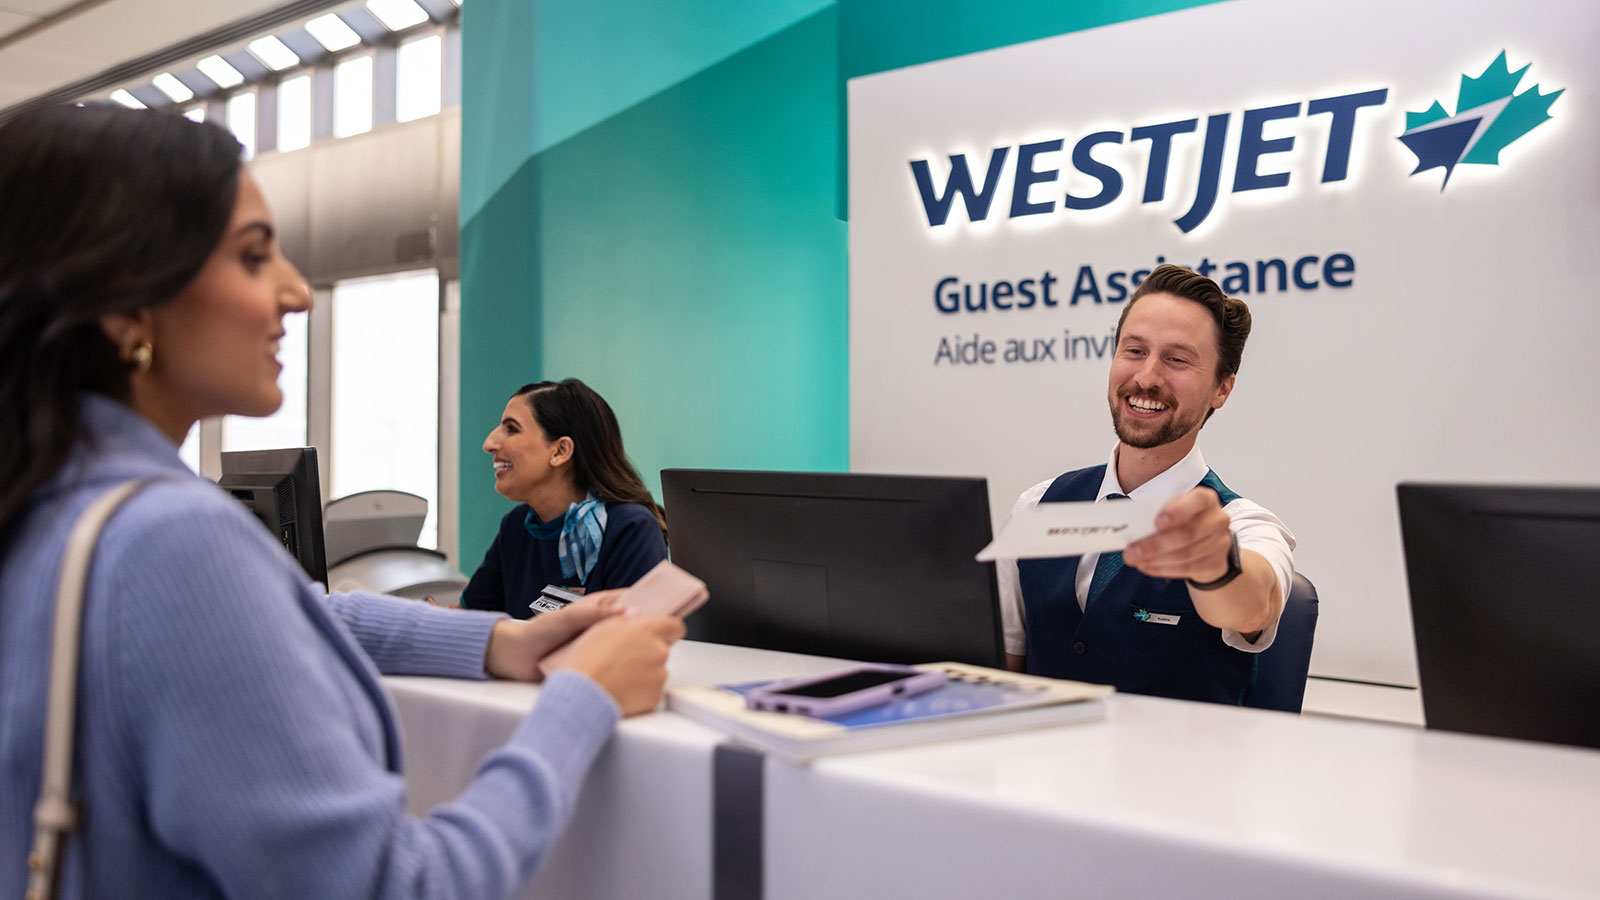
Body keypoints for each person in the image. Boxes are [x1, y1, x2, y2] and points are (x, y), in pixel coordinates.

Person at [0, 104, 683, 900]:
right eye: (255, 258)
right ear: (125, 308)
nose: (299, 292)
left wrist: (499, 643)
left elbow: (279, 617)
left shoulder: (52, 500)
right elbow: (397, 888)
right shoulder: (168, 541)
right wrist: (582, 701)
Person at [996, 264, 1295, 705]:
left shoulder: (1244, 526)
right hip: (1042, 766)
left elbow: (1257, 602)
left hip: (1177, 771)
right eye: (1134, 350)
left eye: (1176, 359)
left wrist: (1216, 565)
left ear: (1221, 389)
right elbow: (1001, 670)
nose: (1147, 377)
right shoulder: (1037, 506)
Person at [461, 378, 669, 617]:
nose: (489, 443)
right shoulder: (517, 525)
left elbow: (633, 643)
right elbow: (471, 621)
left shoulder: (630, 528)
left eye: (512, 429)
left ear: (560, 451)